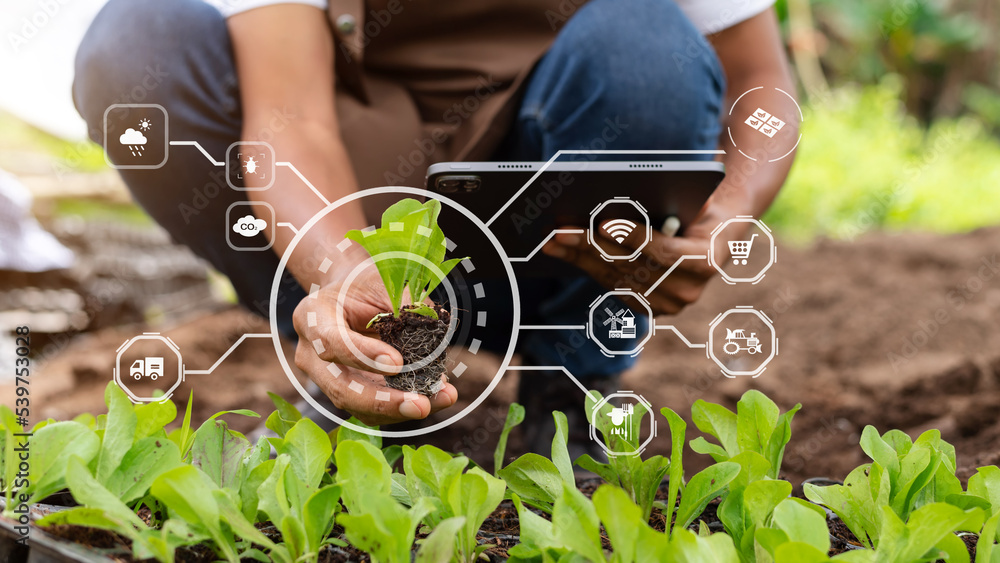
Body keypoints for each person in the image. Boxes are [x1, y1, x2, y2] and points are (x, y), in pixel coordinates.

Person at [74, 0, 796, 454]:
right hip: (362, 184)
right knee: (139, 42)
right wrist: (339, 269)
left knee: (647, 52)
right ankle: (363, 354)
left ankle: (571, 372)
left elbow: (761, 85)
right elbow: (289, 121)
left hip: (548, 218)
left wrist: (725, 218)